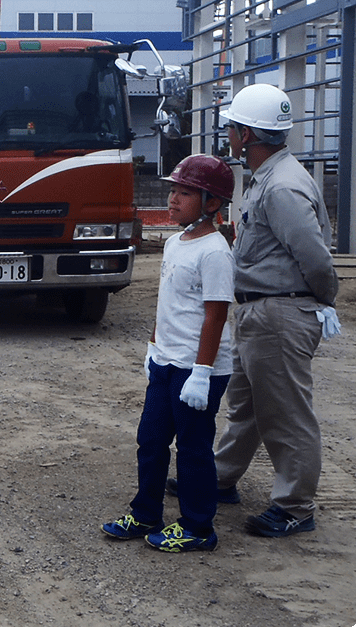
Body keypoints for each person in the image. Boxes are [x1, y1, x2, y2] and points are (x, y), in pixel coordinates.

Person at [172, 83, 341, 538]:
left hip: (279, 313)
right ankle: (223, 477)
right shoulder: (270, 176)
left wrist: (322, 300)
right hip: (261, 310)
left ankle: (295, 506)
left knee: (285, 413)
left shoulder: (281, 186)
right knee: (246, 406)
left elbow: (316, 258)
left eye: (232, 127)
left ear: (246, 134)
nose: (228, 133)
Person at [101, 154, 235, 553]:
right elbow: (167, 302)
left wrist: (202, 371)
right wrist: (153, 347)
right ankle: (146, 513)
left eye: (185, 193)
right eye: (173, 190)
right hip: (166, 361)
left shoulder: (214, 251)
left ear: (212, 202)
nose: (173, 199)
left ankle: (198, 526)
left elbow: (215, 316)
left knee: (193, 447)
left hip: (197, 370)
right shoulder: (176, 242)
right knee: (151, 440)